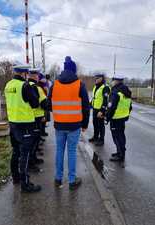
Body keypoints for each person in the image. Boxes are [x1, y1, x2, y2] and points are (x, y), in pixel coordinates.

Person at [48, 56, 90, 190]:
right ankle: (72, 181)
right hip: (74, 125)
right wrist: (85, 124)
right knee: (71, 152)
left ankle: (58, 179)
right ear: (74, 70)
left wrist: (59, 111)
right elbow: (85, 107)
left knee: (59, 150)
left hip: (59, 125)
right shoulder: (79, 85)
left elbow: (49, 105)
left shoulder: (55, 84)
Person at [4, 64, 42, 193]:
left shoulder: (8, 85)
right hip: (25, 124)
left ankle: (15, 177)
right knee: (24, 155)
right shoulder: (24, 86)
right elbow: (35, 103)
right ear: (24, 74)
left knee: (15, 152)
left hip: (13, 123)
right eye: (27, 74)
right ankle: (25, 184)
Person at [106, 76, 132, 168]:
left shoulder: (115, 92)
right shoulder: (126, 91)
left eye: (112, 80)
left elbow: (111, 107)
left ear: (116, 81)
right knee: (121, 135)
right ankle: (120, 152)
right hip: (123, 118)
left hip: (115, 118)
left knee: (116, 136)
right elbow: (130, 106)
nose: (111, 82)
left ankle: (120, 155)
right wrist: (126, 114)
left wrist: (107, 118)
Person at [27, 68, 48, 172]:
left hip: (28, 117)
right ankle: (31, 162)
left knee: (32, 140)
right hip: (37, 117)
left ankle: (33, 159)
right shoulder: (37, 88)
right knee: (34, 140)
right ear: (35, 76)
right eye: (38, 75)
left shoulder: (25, 85)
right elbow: (44, 104)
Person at [89, 74, 110, 146]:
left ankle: (101, 140)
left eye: (98, 78)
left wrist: (102, 110)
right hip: (95, 108)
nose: (96, 79)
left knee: (101, 125)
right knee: (95, 124)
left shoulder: (105, 87)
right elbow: (94, 97)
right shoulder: (96, 86)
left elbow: (105, 100)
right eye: (96, 78)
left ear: (102, 79)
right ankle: (95, 137)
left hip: (101, 110)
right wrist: (90, 104)